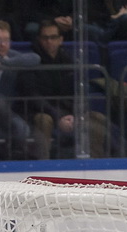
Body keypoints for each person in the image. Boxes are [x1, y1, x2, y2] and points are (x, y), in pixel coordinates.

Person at [21, 20, 111, 159]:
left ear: (60, 39)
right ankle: (42, 165)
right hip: (40, 112)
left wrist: (75, 115)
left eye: (53, 37)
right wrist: (58, 117)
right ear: (39, 39)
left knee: (97, 118)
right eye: (45, 38)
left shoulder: (68, 61)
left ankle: (96, 163)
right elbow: (33, 97)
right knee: (44, 120)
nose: (49, 42)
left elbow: (77, 92)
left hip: (67, 112)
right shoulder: (31, 61)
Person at [0, 20, 40, 161]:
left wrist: (5, 63)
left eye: (6, 40)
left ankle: (13, 159)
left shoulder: (11, 57)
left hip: (6, 114)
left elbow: (35, 58)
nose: (3, 45)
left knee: (21, 127)